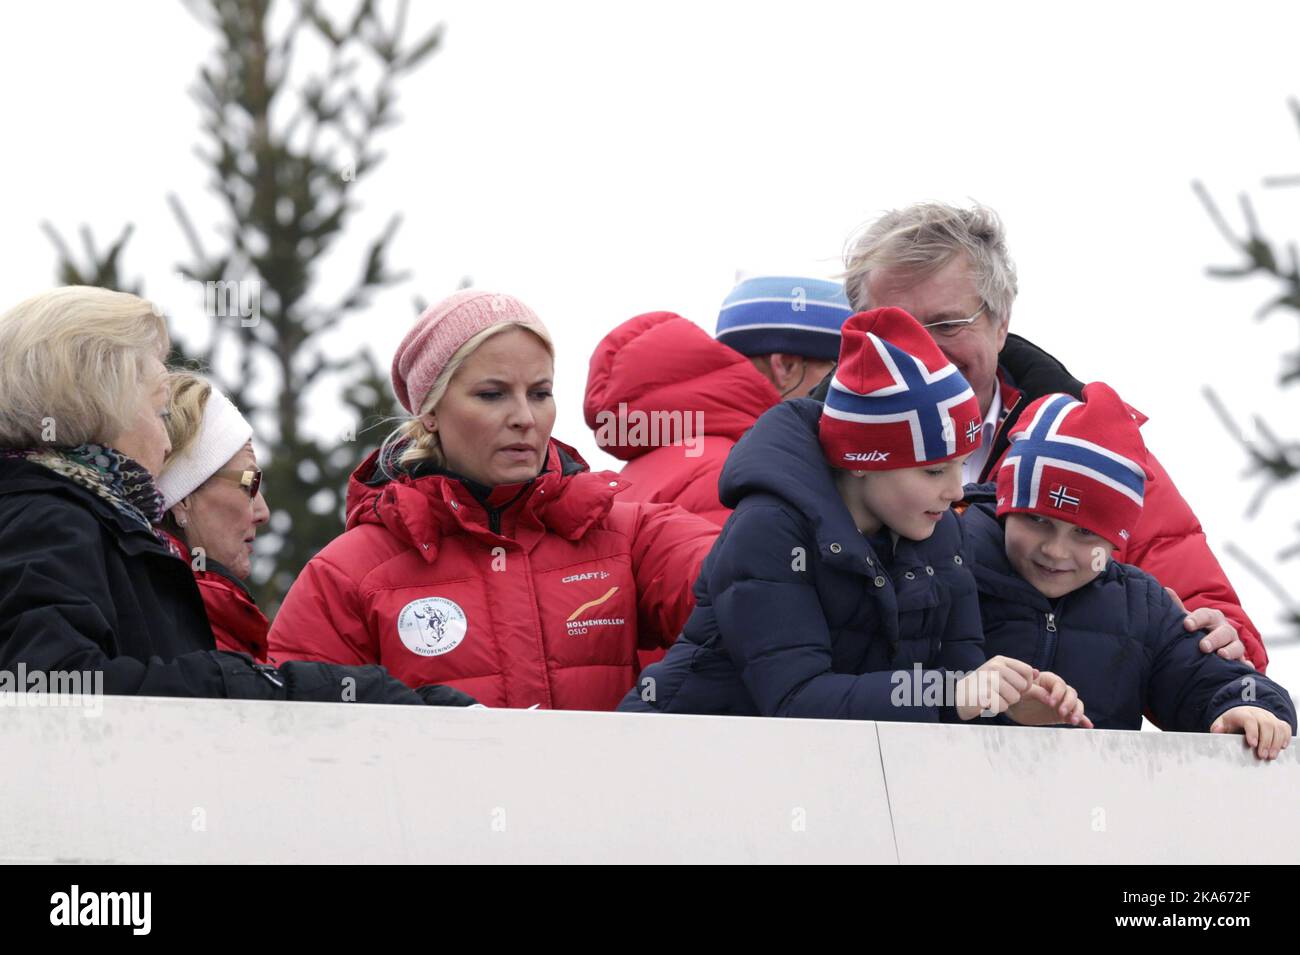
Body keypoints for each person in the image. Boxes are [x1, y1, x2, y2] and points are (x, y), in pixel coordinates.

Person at [835, 202, 1267, 671]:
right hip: (855, 731)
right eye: (895, 329)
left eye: (946, 324)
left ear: (1001, 324)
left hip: (1060, 733)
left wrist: (1222, 642)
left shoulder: (1095, 446)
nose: (922, 349)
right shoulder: (801, 450)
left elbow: (1207, 617)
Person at [0, 286, 473, 707]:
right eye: (159, 410)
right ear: (101, 405)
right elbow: (48, 691)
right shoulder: (49, 517)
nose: (167, 444)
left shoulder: (75, 517)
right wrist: (230, 676)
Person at [619, 307, 1088, 725]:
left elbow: (954, 694)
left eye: (959, 465)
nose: (956, 489)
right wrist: (953, 693)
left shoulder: (941, 534)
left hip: (817, 781)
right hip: (680, 762)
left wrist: (1007, 705)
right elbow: (796, 700)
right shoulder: (769, 532)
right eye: (932, 469)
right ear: (864, 461)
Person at [268, 290, 720, 710]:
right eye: (492, 394)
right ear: (429, 412)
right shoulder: (346, 576)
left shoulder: (631, 536)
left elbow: (753, 585)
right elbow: (300, 748)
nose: (525, 418)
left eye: (540, 393)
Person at [958, 383, 1294, 759]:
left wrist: (1248, 707)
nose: (1055, 550)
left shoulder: (1141, 606)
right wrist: (966, 696)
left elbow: (1213, 680)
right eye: (1037, 519)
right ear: (1006, 505)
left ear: (1116, 540)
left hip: (1086, 809)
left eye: (1085, 533)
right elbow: (897, 681)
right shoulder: (946, 566)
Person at [584, 275, 852, 526]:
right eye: (834, 370)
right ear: (786, 366)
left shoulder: (657, 460)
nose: (841, 390)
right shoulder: (742, 472)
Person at [156, 372, 272, 662]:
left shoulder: (211, 620)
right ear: (182, 498)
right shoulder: (167, 630)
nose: (263, 513)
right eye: (249, 484)